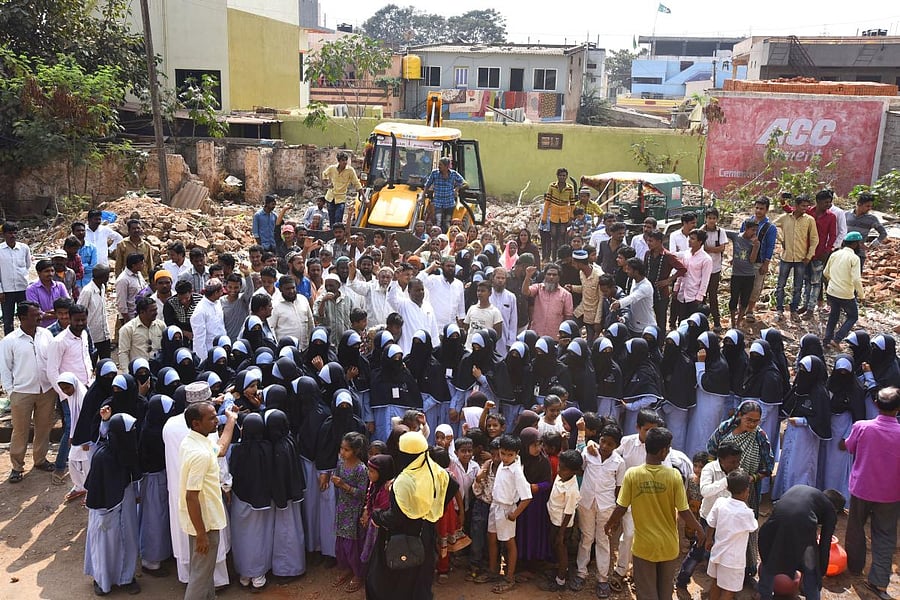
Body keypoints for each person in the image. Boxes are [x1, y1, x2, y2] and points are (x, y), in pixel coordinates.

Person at [605, 427, 705, 600]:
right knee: (665, 592)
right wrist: (699, 529)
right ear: (664, 451)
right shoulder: (673, 476)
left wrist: (610, 523)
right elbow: (684, 511)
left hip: (644, 546)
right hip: (668, 546)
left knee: (646, 593)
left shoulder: (632, 475)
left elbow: (621, 507)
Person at [366, 431, 450, 600]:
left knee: (391, 579)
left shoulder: (404, 480)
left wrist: (377, 516)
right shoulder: (435, 471)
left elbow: (395, 517)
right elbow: (451, 487)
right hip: (425, 533)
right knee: (420, 579)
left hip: (402, 536)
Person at [843, 386, 900, 600]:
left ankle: (855, 568)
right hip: (891, 494)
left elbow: (849, 447)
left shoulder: (862, 427)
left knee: (856, 528)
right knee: (885, 535)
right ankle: (879, 582)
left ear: (876, 404)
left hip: (862, 488)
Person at [179, 394, 238, 599]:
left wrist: (231, 421)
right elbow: (191, 497)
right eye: (212, 418)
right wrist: (202, 534)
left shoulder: (195, 441)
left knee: (204, 573)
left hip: (202, 521)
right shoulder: (199, 454)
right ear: (196, 423)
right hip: (204, 523)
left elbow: (221, 449)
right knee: (200, 576)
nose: (216, 420)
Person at [83, 412, 142, 596]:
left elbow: (133, 475)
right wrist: (104, 510)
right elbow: (96, 488)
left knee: (129, 538)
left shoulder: (129, 451)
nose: (133, 433)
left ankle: (126, 578)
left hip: (126, 503)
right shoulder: (102, 456)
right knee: (105, 543)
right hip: (105, 508)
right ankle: (103, 580)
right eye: (130, 430)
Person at [0, 302, 56, 482]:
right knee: (20, 430)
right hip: (21, 393)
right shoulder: (10, 341)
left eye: (39, 313)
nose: (40, 316)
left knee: (44, 427)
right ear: (23, 318)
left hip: (46, 390)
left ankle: (40, 459)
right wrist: (12, 393)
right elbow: (5, 369)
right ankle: (17, 466)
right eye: (35, 314)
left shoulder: (46, 334)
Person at [757, 485, 843, 600]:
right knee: (811, 568)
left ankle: (764, 595)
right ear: (836, 509)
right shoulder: (829, 509)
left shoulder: (804, 490)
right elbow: (825, 542)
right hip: (801, 527)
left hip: (775, 525)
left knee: (772, 557)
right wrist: (820, 571)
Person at [573, 424, 625, 596]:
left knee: (603, 540)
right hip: (586, 502)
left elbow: (619, 488)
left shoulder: (619, 462)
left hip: (606, 506)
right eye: (602, 441)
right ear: (599, 439)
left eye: (610, 444)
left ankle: (602, 578)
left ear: (616, 446)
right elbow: (579, 469)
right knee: (586, 537)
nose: (604, 446)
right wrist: (588, 444)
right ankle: (581, 572)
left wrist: (616, 515)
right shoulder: (589, 453)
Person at [478, 434, 532, 594]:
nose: (506, 457)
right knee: (491, 538)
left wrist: (514, 514)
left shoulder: (517, 472)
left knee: (509, 543)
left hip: (507, 509)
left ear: (516, 454)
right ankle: (493, 571)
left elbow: (527, 497)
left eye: (510, 455)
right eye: (503, 453)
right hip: (495, 506)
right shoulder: (502, 464)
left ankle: (509, 577)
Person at [705, 470, 759, 600]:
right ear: (747, 490)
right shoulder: (746, 513)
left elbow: (711, 523)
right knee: (729, 591)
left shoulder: (720, 502)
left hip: (717, 553)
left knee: (715, 584)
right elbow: (753, 527)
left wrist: (708, 540)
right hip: (733, 561)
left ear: (728, 488)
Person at [541, 449, 583, 593]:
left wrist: (561, 533)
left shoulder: (572, 489)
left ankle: (560, 580)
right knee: (556, 548)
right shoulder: (561, 478)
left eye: (564, 469)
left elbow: (569, 512)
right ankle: (558, 570)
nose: (559, 470)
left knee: (561, 549)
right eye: (559, 466)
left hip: (561, 525)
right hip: (554, 520)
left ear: (574, 472)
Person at [333, 432, 369, 593]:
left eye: (346, 450)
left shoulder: (361, 469)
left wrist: (343, 485)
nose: (342, 452)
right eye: (341, 448)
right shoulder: (341, 463)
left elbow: (362, 493)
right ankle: (346, 568)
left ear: (356, 451)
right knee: (341, 542)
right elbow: (337, 478)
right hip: (342, 508)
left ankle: (358, 574)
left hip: (354, 511)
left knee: (352, 544)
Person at [774, 195, 819, 319]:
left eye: (807, 206)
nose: (805, 208)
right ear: (796, 205)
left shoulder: (809, 220)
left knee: (798, 287)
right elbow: (772, 227)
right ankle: (779, 309)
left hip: (801, 258)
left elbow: (814, 239)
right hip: (786, 257)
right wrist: (781, 239)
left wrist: (809, 256)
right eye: (803, 206)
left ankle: (794, 310)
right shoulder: (785, 218)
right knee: (780, 285)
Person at [822, 232, 865, 349]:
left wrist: (834, 281)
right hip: (846, 294)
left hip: (831, 291)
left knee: (833, 315)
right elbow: (856, 279)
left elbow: (825, 272)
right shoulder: (854, 258)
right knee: (852, 317)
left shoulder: (835, 254)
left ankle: (826, 340)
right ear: (855, 244)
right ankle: (837, 339)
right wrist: (861, 295)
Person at [644, 230, 686, 331]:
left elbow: (682, 269)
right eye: (648, 241)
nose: (648, 243)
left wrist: (668, 280)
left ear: (659, 241)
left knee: (661, 320)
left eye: (651, 241)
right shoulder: (648, 254)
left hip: (661, 293)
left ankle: (661, 342)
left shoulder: (668, 256)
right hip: (648, 291)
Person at [387, 276, 439, 353]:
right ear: (409, 291)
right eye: (417, 290)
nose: (421, 292)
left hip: (426, 351)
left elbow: (434, 331)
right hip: (407, 350)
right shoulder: (403, 304)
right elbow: (391, 299)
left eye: (422, 290)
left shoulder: (428, 306)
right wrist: (394, 281)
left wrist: (435, 349)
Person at [522, 263, 574, 339]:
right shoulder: (538, 288)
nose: (551, 277)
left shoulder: (566, 295)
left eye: (554, 275)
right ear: (545, 276)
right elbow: (525, 291)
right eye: (549, 274)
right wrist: (528, 276)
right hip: (536, 334)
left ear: (559, 277)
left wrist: (564, 336)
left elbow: (568, 317)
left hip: (555, 337)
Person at [610, 258, 656, 337]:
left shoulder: (645, 286)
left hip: (645, 328)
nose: (626, 271)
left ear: (636, 271)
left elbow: (632, 298)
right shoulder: (634, 281)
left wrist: (619, 303)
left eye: (629, 269)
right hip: (633, 326)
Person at [117, 296, 166, 370]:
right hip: (139, 370)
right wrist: (127, 373)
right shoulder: (128, 329)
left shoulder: (161, 325)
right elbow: (123, 353)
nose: (156, 313)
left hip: (158, 368)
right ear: (142, 312)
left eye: (156, 309)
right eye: (152, 310)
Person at [674, 229, 712, 323]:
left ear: (700, 242)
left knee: (693, 323)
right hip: (682, 294)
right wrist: (676, 288)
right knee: (682, 321)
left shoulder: (706, 259)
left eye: (692, 239)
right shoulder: (686, 254)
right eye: (689, 238)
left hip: (694, 296)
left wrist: (699, 296)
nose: (689, 240)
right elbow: (681, 272)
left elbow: (705, 280)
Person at [845, 191, 888, 270]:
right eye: (867, 206)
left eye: (871, 206)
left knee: (855, 278)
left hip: (859, 253)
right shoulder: (846, 215)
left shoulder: (871, 219)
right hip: (844, 252)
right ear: (859, 204)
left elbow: (883, 233)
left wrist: (872, 245)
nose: (869, 208)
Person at [541, 168, 575, 261]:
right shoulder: (552, 186)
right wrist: (544, 217)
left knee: (562, 238)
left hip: (564, 216)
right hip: (554, 216)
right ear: (557, 176)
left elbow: (572, 203)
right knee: (554, 238)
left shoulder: (570, 188)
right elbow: (547, 202)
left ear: (566, 176)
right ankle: (553, 259)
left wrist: (571, 217)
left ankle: (561, 259)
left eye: (564, 175)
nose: (562, 177)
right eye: (560, 175)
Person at [424, 156, 466, 231]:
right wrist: (423, 195)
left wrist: (456, 189)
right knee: (438, 221)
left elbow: (464, 183)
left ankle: (447, 236)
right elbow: (427, 184)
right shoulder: (435, 173)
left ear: (446, 166)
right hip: (438, 202)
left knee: (447, 221)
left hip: (449, 202)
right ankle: (437, 237)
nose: (438, 166)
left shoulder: (453, 174)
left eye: (440, 165)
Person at [702, 208, 727, 330]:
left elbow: (721, 248)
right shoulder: (701, 231)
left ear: (717, 219)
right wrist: (713, 249)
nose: (711, 221)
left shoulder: (720, 232)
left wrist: (708, 249)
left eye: (714, 218)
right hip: (701, 270)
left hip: (715, 269)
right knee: (701, 296)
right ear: (706, 219)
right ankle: (701, 322)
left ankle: (717, 323)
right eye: (709, 218)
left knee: (713, 296)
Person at [26, 259, 69, 328]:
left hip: (60, 327)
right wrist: (59, 314)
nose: (50, 274)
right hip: (41, 328)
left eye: (52, 271)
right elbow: (36, 312)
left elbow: (68, 306)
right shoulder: (31, 289)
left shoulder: (60, 286)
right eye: (47, 271)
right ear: (39, 273)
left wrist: (46, 313)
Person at [190, 279, 226, 360]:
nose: (222, 293)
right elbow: (199, 339)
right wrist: (203, 359)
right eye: (221, 291)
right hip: (209, 352)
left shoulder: (218, 302)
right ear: (216, 293)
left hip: (221, 349)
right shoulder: (200, 311)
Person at [323, 153, 361, 227]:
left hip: (341, 198)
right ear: (339, 161)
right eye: (343, 160)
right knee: (331, 219)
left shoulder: (350, 170)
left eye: (346, 160)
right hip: (330, 197)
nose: (345, 162)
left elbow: (356, 183)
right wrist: (327, 183)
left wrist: (363, 196)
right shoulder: (332, 168)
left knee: (338, 219)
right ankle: (332, 235)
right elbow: (324, 174)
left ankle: (338, 235)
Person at [463, 281, 503, 350]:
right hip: (469, 348)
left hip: (485, 350)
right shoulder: (472, 308)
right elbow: (466, 327)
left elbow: (497, 335)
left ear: (490, 293)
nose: (479, 293)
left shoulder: (495, 312)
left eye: (483, 291)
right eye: (478, 291)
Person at [115, 253, 147, 326]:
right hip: (131, 317)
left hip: (141, 314)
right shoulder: (123, 280)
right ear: (134, 265)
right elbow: (121, 303)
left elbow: (144, 289)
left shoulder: (138, 274)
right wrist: (128, 321)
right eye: (141, 263)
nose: (143, 265)